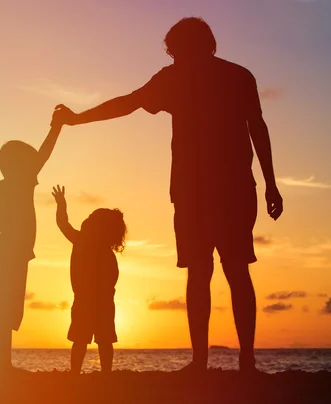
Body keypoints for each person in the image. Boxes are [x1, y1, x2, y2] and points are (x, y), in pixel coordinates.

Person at [52, 17, 283, 373]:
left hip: (216, 190)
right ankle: (216, 361)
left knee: (221, 272)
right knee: (220, 272)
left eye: (178, 52)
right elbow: (128, 103)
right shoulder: (214, 76)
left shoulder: (206, 77)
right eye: (174, 54)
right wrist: (78, 119)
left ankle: (232, 360)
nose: (176, 59)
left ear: (197, 48)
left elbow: (257, 127)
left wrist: (271, 182)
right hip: (209, 190)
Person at [0, 109, 64, 372]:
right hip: (7, 257)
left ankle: (3, 364)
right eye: (29, 161)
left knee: (7, 313)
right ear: (18, 166)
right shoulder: (15, 186)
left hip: (10, 257)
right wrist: (57, 127)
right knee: (0, 313)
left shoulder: (8, 190)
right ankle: (0, 365)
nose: (34, 165)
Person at [51, 185, 126, 374]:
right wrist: (61, 204)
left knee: (95, 340)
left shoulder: (84, 242)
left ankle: (90, 373)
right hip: (92, 300)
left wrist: (61, 205)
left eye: (92, 219)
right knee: (88, 340)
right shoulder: (83, 241)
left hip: (93, 301)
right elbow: (63, 223)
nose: (87, 220)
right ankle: (94, 373)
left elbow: (63, 225)